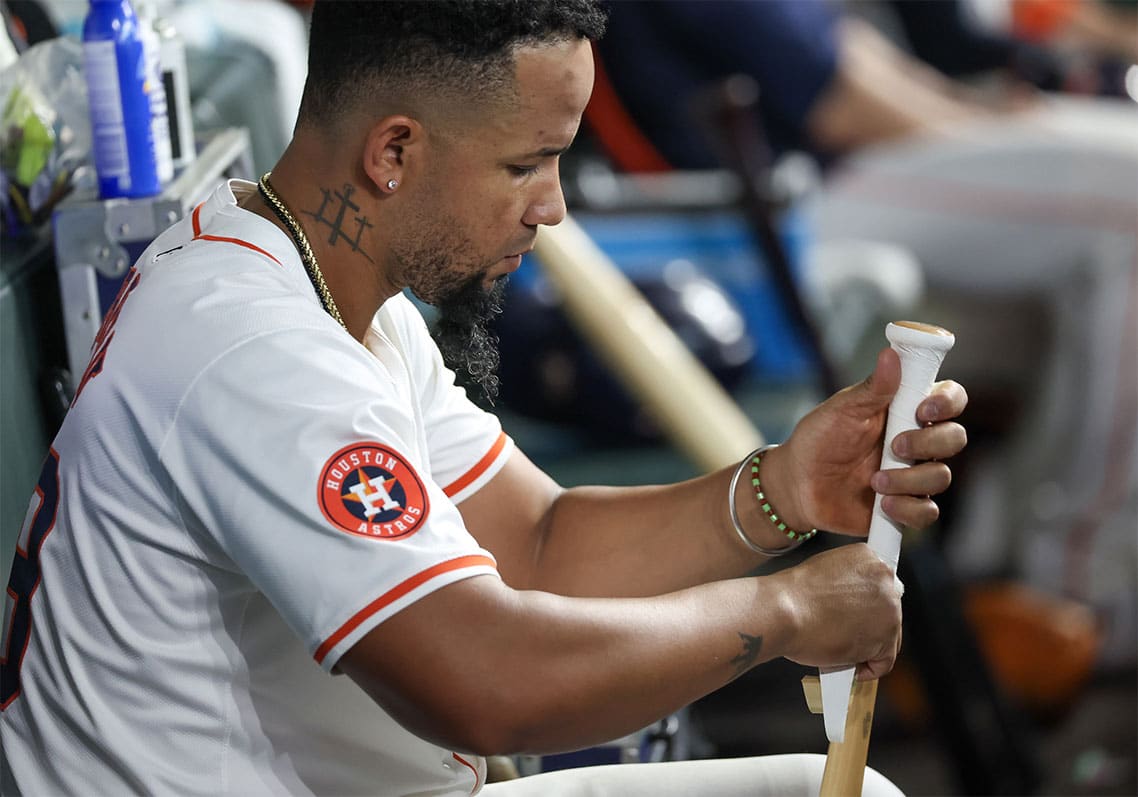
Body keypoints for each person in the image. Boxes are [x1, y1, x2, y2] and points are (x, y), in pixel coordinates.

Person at [0, 3, 969, 795]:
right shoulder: (259, 351)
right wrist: (786, 611)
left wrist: (783, 487)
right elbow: (487, 683)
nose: (551, 206)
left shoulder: (326, 283)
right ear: (394, 151)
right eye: (525, 163)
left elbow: (538, 542)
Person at [597, 0, 1137, 667]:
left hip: (830, 176)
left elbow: (853, 52)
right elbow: (844, 103)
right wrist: (988, 128)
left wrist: (1000, 123)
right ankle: (1088, 593)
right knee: (1130, 194)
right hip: (775, 208)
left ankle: (1016, 563)